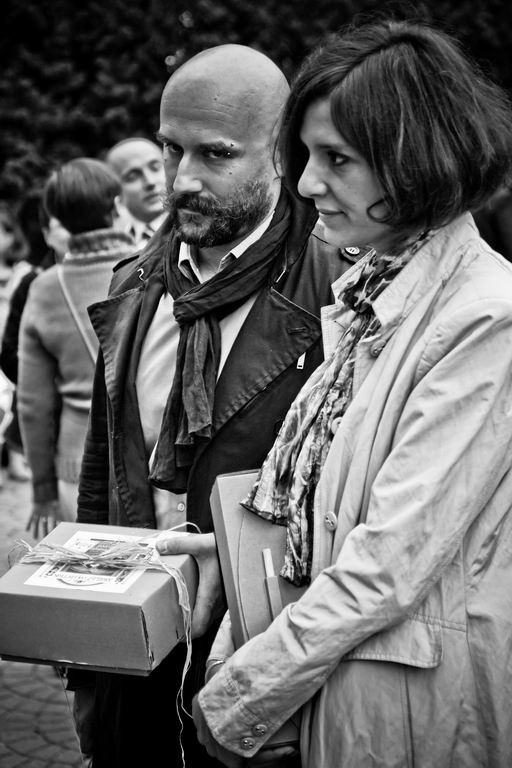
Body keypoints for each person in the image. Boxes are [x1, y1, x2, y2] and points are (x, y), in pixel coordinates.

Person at [189, 19, 512, 768]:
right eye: (306, 155)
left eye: (337, 158)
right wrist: (230, 553)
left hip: (409, 717)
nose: (307, 183)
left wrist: (243, 699)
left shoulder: (484, 318)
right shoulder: (370, 294)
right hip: (350, 692)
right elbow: (339, 503)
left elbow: (392, 561)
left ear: (417, 160)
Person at [75, 44, 352, 767]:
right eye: (171, 149)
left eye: (217, 154)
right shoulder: (135, 282)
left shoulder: (343, 292)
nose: (182, 180)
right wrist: (88, 669)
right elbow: (106, 472)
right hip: (136, 660)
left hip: (263, 665)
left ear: (283, 154)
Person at [17, 158, 135, 534]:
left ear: (59, 220)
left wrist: (42, 491)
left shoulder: (44, 288)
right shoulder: (155, 267)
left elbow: (33, 406)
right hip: (149, 454)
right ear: (117, 205)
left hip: (76, 465)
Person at [105, 137, 166, 244]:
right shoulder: (113, 242)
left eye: (155, 167)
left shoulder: (194, 229)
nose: (150, 182)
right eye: (133, 176)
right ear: (116, 190)